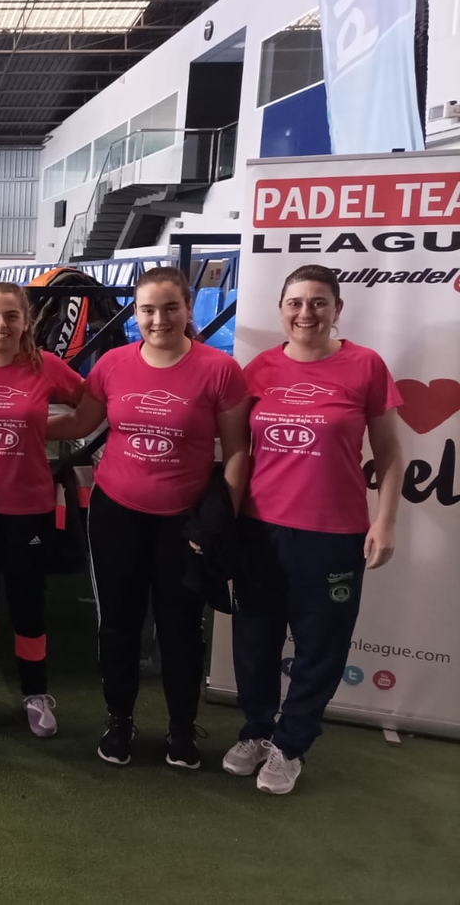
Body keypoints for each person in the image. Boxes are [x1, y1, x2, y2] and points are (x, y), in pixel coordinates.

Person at [50, 266, 250, 769]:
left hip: (184, 523)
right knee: (118, 625)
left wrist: (221, 521)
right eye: (148, 310)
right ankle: (120, 721)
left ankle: (181, 730)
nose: (159, 319)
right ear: (135, 314)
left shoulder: (219, 370)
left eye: (170, 308)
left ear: (189, 308)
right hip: (116, 514)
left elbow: (237, 450)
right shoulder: (113, 364)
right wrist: (15, 418)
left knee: (180, 627)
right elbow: (81, 422)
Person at [223, 264, 404, 796]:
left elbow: (390, 453)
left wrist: (385, 520)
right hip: (260, 530)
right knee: (254, 640)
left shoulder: (365, 366)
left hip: (333, 535)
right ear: (281, 310)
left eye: (319, 302)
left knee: (320, 646)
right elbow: (238, 451)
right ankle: (258, 730)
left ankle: (291, 744)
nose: (306, 313)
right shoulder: (259, 369)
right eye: (296, 302)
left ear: (337, 309)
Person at [0, 283, 85, 737]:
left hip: (29, 507)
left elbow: (89, 410)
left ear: (26, 321)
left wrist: (40, 427)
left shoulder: (47, 367)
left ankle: (35, 693)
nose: (1, 325)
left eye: (11, 316)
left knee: (28, 601)